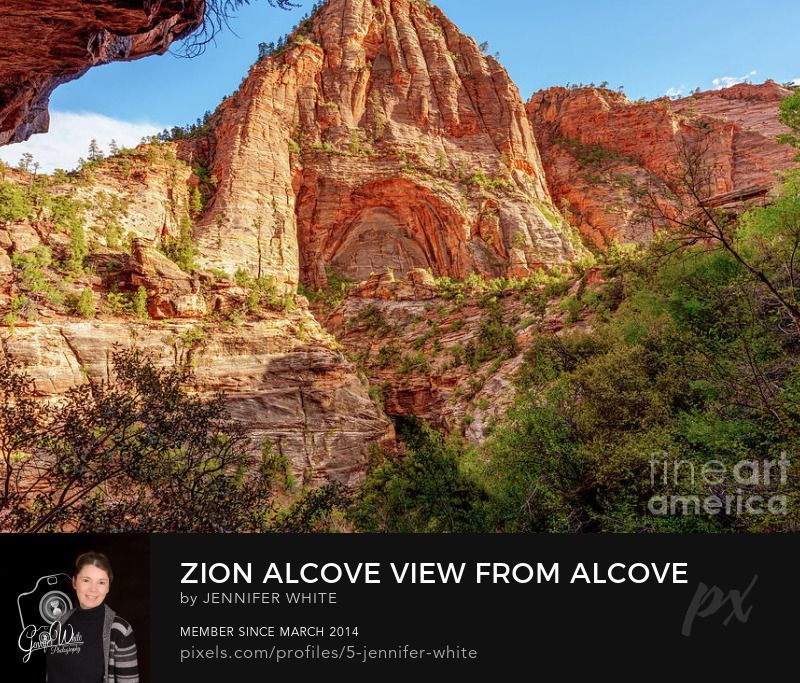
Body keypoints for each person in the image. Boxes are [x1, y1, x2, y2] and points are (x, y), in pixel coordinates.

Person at [46, 552, 139, 683]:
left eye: (101, 582)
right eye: (86, 580)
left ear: (108, 587)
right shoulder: (61, 622)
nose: (93, 589)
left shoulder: (120, 630)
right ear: (74, 582)